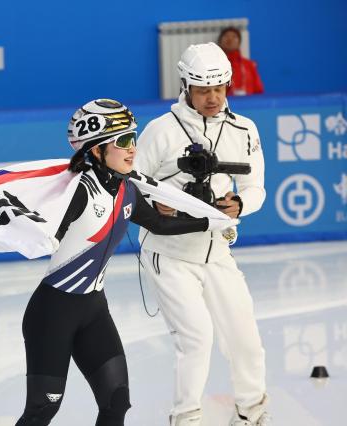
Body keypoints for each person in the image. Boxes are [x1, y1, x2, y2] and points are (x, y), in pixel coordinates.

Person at [16, 98, 237, 426]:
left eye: (133, 138)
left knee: (116, 402)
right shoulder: (78, 191)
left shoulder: (128, 188)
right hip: (52, 313)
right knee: (43, 409)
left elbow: (159, 224)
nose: (132, 148)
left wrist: (211, 221)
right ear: (96, 150)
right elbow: (47, 227)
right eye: (122, 141)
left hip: (93, 311)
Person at [133, 43, 269, 426]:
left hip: (218, 251)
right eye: (203, 89)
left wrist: (240, 206)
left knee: (245, 340)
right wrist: (157, 203)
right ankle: (187, 418)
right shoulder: (161, 131)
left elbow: (256, 187)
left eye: (220, 89)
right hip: (169, 253)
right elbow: (132, 185)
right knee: (196, 338)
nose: (213, 98)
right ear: (186, 86)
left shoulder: (244, 129)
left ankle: (252, 414)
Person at [217, 27, 264, 96]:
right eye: (226, 36)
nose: (230, 39)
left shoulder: (249, 65)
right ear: (220, 42)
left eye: (234, 36)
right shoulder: (216, 65)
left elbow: (259, 90)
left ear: (239, 43)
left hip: (249, 103)